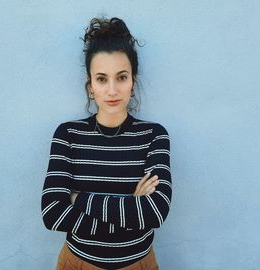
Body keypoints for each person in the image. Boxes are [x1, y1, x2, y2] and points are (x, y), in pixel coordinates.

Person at [41, 17, 172, 270]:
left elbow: (154, 213)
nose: (112, 90)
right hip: (77, 264)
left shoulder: (154, 136)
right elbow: (52, 214)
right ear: (91, 86)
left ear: (133, 81)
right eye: (102, 79)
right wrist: (130, 212)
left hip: (138, 265)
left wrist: (76, 197)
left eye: (121, 77)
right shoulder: (68, 134)